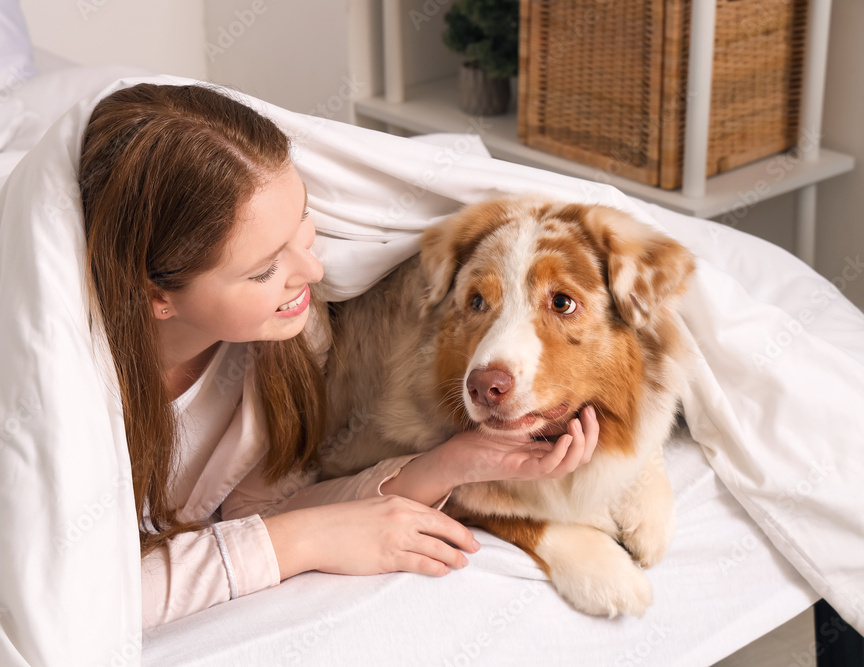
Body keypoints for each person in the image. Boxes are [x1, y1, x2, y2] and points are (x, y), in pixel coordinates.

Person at [77, 82, 600, 629]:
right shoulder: (78, 388)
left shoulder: (289, 340)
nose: (312, 272)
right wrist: (302, 541)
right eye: (263, 270)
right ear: (157, 296)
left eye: (303, 227)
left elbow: (254, 515)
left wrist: (451, 465)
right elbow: (77, 596)